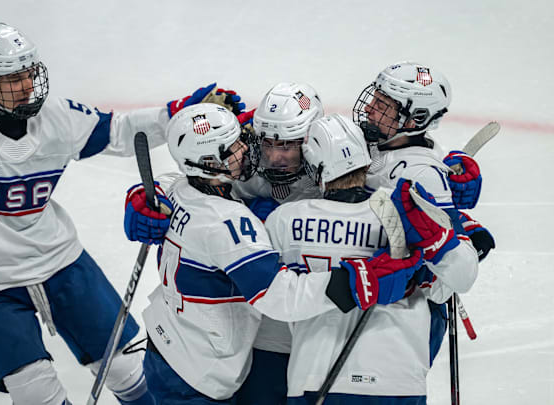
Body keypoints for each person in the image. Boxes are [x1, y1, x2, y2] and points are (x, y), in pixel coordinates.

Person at [0, 22, 242, 405]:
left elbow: (120, 130)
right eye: (13, 79)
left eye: (30, 73)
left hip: (62, 264)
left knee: (129, 371)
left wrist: (181, 114)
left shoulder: (58, 116)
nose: (28, 86)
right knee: (36, 395)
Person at [123, 104, 430, 404]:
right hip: (200, 370)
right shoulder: (228, 222)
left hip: (169, 342)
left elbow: (166, 181)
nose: (248, 149)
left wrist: (142, 194)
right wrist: (358, 281)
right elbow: (280, 295)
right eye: (234, 147)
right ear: (209, 163)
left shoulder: (181, 190)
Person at [264, 114, 480, 404]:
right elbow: (450, 286)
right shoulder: (407, 208)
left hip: (314, 376)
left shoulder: (284, 219)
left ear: (314, 167)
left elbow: (271, 300)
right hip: (398, 380)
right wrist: (446, 226)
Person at [352, 61, 495, 361]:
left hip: (406, 318)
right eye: (374, 98)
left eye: (382, 104)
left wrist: (458, 222)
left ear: (415, 118)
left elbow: (451, 268)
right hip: (371, 304)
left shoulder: (423, 173)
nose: (369, 109)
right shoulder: (380, 146)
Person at [231, 82, 325, 405]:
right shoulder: (247, 162)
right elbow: (190, 181)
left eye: (287, 146)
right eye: (269, 144)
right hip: (263, 328)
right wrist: (157, 199)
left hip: (321, 326)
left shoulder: (339, 159)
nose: (274, 157)